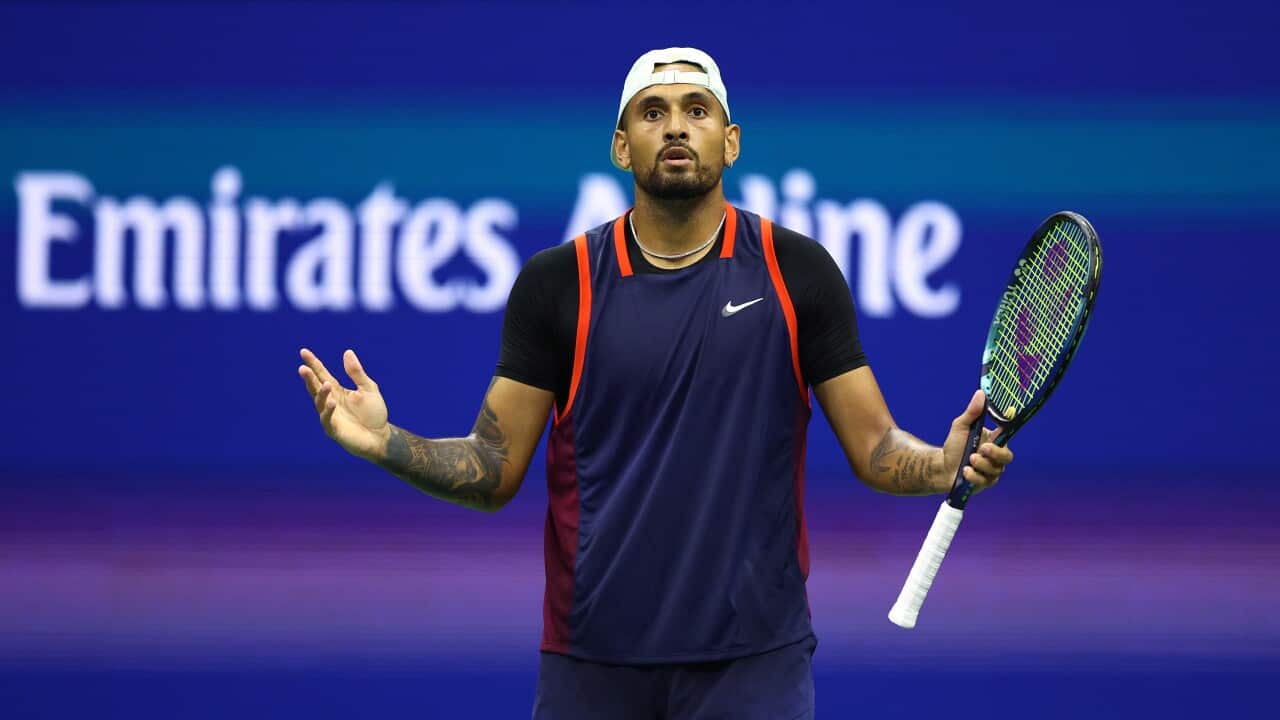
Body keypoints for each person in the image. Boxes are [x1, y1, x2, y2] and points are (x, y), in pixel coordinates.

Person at [297, 47, 1013, 719]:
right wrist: (384, 441)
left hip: (755, 662)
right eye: (653, 111)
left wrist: (942, 465)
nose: (676, 126)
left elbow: (875, 446)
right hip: (593, 663)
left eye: (697, 110)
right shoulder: (559, 285)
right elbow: (493, 468)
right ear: (620, 146)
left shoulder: (797, 272)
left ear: (730, 141)